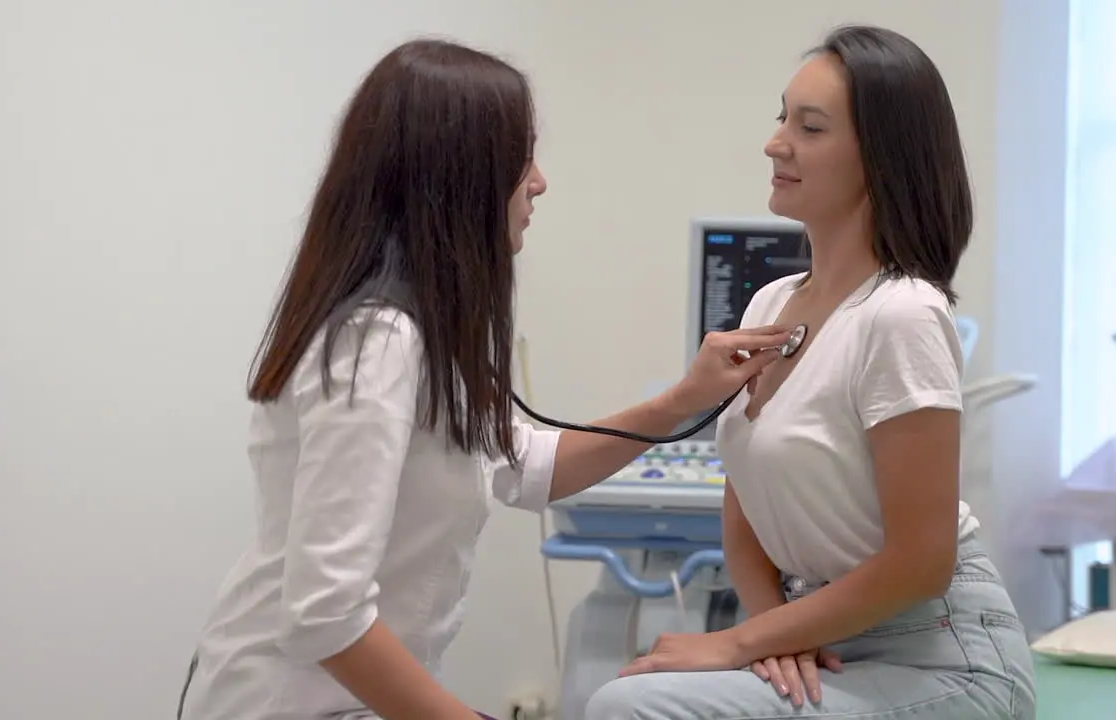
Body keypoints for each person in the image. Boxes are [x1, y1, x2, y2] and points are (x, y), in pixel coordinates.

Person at [176, 38, 792, 720]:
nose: (538, 181)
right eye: (521, 157)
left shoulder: (423, 334)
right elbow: (325, 612)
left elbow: (528, 465)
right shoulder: (377, 341)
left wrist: (682, 401)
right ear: (460, 174)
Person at [583, 24, 1038, 720]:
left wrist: (739, 642)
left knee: (630, 708)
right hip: (825, 639)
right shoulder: (772, 303)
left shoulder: (902, 315)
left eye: (811, 127)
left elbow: (923, 561)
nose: (776, 143)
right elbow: (746, 508)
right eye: (782, 117)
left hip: (943, 658)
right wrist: (773, 640)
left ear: (881, 159)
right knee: (626, 693)